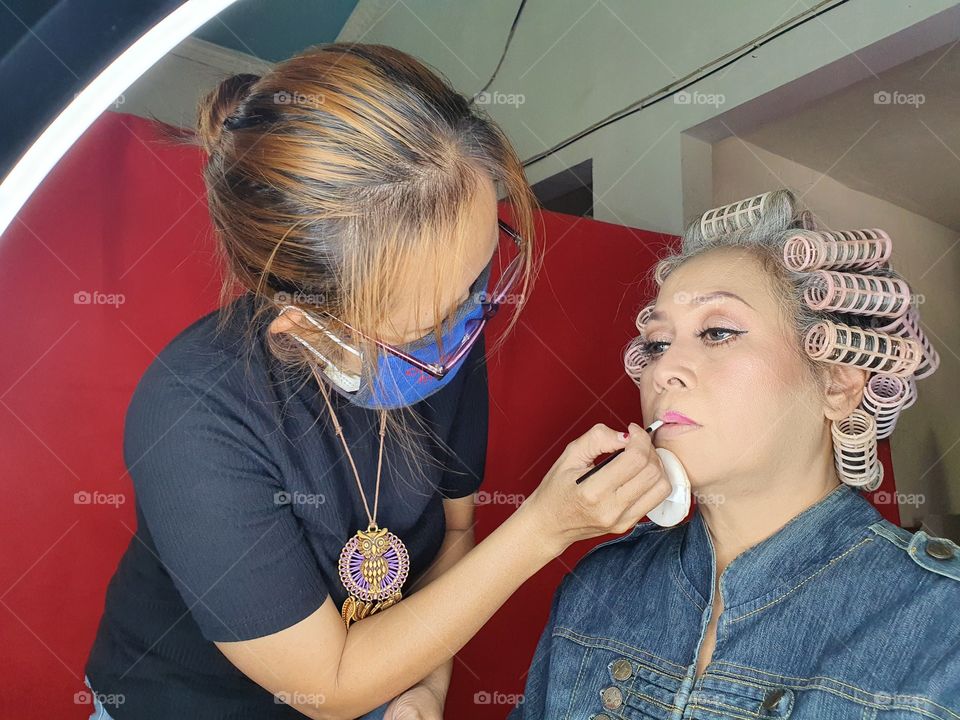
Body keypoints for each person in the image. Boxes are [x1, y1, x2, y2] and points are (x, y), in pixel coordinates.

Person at [83, 43, 671, 720]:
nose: (463, 329)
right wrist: (544, 527)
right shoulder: (195, 417)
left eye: (474, 284)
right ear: (302, 326)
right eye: (427, 323)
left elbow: (453, 537)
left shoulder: (446, 328)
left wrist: (423, 689)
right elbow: (327, 685)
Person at [510, 189, 960, 719]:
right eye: (656, 344)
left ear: (837, 383)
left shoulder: (942, 619)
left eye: (718, 332)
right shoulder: (597, 588)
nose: (662, 370)